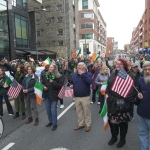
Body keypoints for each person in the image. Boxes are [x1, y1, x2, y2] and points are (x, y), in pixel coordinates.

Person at [106, 59, 134, 148]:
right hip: (111, 102)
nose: (118, 65)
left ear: (124, 65)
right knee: (112, 121)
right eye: (117, 64)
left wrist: (127, 103)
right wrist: (107, 93)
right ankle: (114, 137)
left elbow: (131, 92)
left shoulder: (128, 75)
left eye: (120, 64)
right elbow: (108, 85)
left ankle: (122, 139)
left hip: (122, 103)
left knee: (122, 123)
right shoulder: (113, 73)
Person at [70, 62, 92, 132]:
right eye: (80, 68)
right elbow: (71, 82)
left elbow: (90, 81)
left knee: (87, 111)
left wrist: (83, 75)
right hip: (76, 96)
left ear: (85, 68)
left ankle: (88, 125)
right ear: (77, 68)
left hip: (85, 96)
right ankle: (81, 124)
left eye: (82, 68)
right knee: (78, 111)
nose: (81, 69)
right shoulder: (74, 75)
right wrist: (71, 85)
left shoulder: (88, 74)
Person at [43, 63, 64, 131]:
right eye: (49, 67)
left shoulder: (58, 76)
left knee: (53, 110)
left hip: (54, 95)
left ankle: (54, 124)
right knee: (48, 110)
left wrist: (53, 82)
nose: (50, 68)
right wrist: (44, 86)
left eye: (51, 67)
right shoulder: (46, 75)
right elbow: (43, 82)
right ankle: (50, 121)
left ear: (54, 69)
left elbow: (60, 85)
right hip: (47, 94)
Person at [136, 61, 150, 150]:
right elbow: (135, 93)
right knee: (143, 133)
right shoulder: (140, 80)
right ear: (143, 70)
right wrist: (137, 96)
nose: (148, 71)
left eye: (149, 69)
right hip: (141, 113)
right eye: (146, 70)